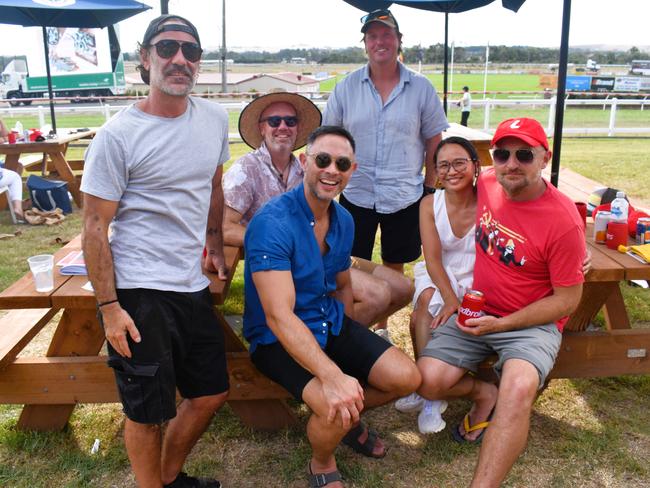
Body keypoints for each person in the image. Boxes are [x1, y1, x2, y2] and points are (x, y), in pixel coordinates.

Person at [80, 15, 229, 488]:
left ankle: (166, 478)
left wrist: (213, 244)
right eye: (167, 48)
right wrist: (109, 308)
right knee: (147, 412)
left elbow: (213, 184)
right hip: (140, 289)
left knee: (210, 393)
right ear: (145, 59)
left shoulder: (214, 119)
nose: (179, 59)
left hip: (190, 283)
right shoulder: (118, 135)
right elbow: (94, 226)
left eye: (190, 50)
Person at [243, 126, 421, 487]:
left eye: (342, 163)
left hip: (328, 321)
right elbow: (278, 315)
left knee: (408, 378)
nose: (332, 170)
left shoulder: (344, 220)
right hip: (276, 339)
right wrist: (332, 375)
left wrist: (348, 344)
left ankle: (347, 419)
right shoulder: (271, 223)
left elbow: (342, 285)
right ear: (305, 162)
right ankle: (321, 462)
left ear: (351, 170)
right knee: (334, 402)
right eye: (323, 160)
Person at [417, 117, 586, 487]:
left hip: (531, 324)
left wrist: (504, 325)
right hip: (478, 309)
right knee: (427, 383)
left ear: (545, 158)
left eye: (524, 154)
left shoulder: (563, 221)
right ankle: (483, 393)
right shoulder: (489, 181)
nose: (512, 163)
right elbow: (450, 187)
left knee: (518, 389)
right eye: (502, 153)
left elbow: (569, 300)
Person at [223, 92, 413, 328]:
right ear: (262, 129)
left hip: (327, 252)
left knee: (404, 288)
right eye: (274, 121)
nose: (283, 126)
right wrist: (283, 243)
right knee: (378, 294)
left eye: (290, 121)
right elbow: (225, 228)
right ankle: (332, 343)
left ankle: (337, 335)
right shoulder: (246, 169)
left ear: (298, 128)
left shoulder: (306, 166)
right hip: (288, 263)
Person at [323, 8, 448, 334]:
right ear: (365, 43)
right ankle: (354, 323)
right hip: (356, 192)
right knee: (351, 262)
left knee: (395, 261)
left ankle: (381, 326)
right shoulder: (346, 88)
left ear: (398, 40)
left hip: (404, 194)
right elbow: (329, 139)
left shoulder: (421, 88)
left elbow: (434, 141)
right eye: (373, 35)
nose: (380, 41)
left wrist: (430, 190)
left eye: (387, 34)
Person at [395, 137, 480, 435]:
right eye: (443, 165)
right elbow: (432, 259)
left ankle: (428, 389)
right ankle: (430, 394)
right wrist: (449, 298)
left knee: (422, 318)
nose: (451, 171)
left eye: (459, 163)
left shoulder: (491, 200)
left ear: (475, 166)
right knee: (426, 301)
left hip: (477, 277)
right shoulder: (430, 203)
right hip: (439, 271)